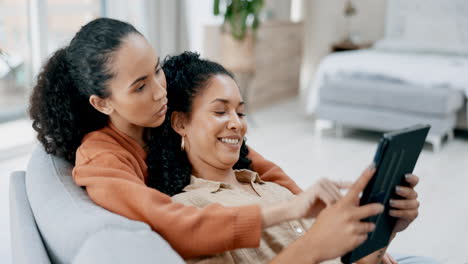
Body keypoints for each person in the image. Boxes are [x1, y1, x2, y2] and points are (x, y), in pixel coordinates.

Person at [28, 17, 366, 260]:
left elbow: (262, 168)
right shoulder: (101, 158)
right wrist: (283, 212)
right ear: (103, 103)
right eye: (141, 86)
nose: (161, 92)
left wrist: (322, 214)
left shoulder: (160, 115)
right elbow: (171, 223)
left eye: (156, 69)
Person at [151, 51, 429, 264]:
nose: (237, 123)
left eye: (241, 112)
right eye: (220, 112)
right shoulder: (189, 208)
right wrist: (313, 247)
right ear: (180, 123)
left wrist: (387, 227)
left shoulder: (272, 188)